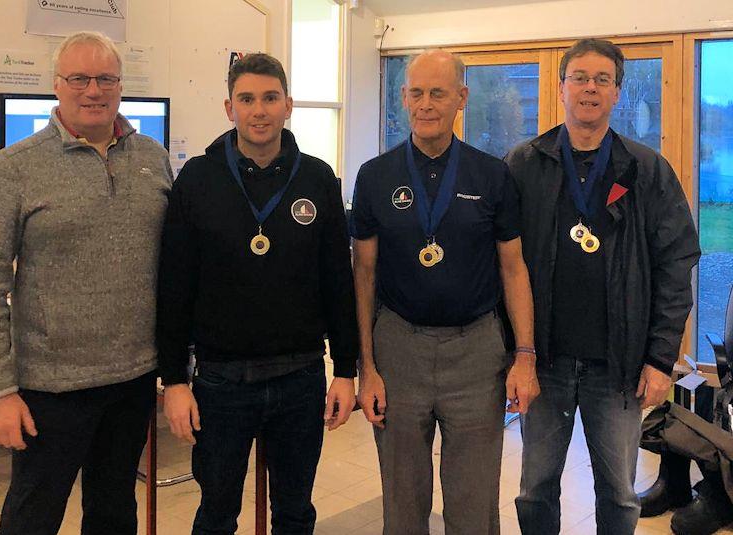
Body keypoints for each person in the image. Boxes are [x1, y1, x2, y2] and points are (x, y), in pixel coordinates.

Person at [0, 31, 172, 535]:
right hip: (49, 390)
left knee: (114, 512)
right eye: (79, 78)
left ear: (121, 87)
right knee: (32, 517)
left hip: (133, 379)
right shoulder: (14, 167)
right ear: (57, 86)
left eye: (105, 79)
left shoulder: (152, 157)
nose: (92, 90)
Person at [156, 52, 359, 535]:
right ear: (229, 108)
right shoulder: (198, 180)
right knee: (217, 512)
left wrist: (346, 370)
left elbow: (337, 279)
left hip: (301, 376)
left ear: (288, 105)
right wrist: (174, 381)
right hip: (221, 382)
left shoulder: (317, 179)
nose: (259, 110)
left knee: (295, 512)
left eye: (270, 98)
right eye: (247, 99)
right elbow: (175, 285)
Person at [505, 38, 701, 535]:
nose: (590, 89)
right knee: (534, 490)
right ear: (561, 86)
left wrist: (660, 358)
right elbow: (502, 263)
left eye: (602, 81)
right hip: (544, 363)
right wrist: (514, 353)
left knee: (617, 492)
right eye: (580, 78)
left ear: (616, 92)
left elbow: (677, 262)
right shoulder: (525, 164)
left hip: (620, 367)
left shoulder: (646, 169)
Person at [350, 49, 539, 535]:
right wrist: (366, 368)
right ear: (402, 99)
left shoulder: (492, 175)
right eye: (416, 92)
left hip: (476, 352)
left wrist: (524, 357)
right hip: (399, 350)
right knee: (402, 504)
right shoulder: (375, 176)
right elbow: (364, 275)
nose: (426, 104)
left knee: (474, 508)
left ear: (462, 97)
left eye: (438, 92)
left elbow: (514, 269)